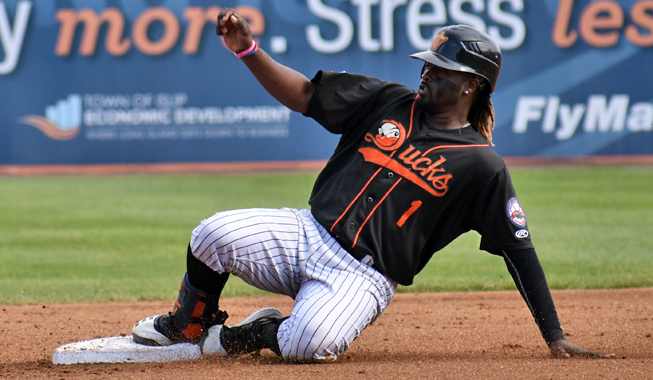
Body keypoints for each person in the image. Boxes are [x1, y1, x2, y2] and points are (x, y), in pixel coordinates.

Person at [132, 8, 614, 362]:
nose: (426, 71)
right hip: (306, 234)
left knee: (310, 344)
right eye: (427, 62)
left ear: (472, 85)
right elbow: (303, 95)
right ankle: (188, 324)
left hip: (360, 277)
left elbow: (518, 249)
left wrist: (554, 335)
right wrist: (248, 52)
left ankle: (255, 334)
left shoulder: (482, 166)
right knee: (212, 233)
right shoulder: (389, 100)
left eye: (441, 68)